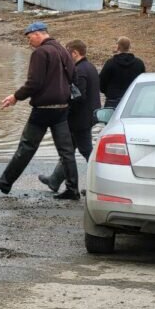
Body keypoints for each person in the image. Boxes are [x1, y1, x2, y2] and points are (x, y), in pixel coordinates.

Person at [0, 22, 81, 200]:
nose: (29, 42)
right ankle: (73, 189)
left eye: (29, 38)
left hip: (43, 109)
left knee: (27, 146)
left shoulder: (41, 53)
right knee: (66, 152)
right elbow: (73, 76)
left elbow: (34, 83)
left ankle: (5, 182)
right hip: (61, 107)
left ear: (38, 34)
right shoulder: (63, 50)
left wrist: (16, 97)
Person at [38, 40, 101, 194]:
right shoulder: (90, 67)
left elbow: (78, 97)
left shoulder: (79, 70)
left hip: (80, 119)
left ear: (75, 53)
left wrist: (64, 107)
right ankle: (54, 180)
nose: (65, 57)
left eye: (67, 53)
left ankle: (100, 184)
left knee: (87, 151)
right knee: (68, 150)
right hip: (88, 116)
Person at [99, 37, 145, 108]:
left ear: (118, 47)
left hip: (113, 100)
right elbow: (142, 81)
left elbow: (102, 81)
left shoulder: (110, 63)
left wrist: (108, 92)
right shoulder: (139, 63)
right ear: (129, 47)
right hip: (133, 100)